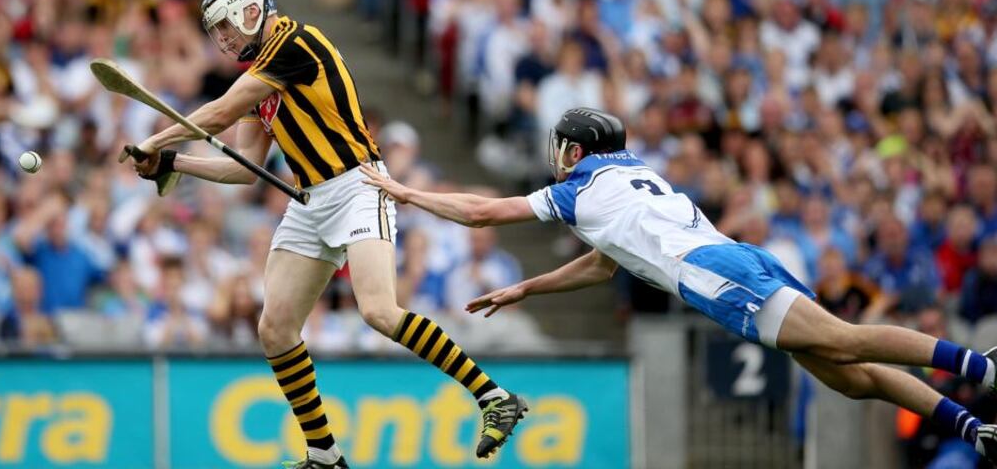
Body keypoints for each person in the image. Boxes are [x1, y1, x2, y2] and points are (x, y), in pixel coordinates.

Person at [362, 107, 997, 463]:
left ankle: (981, 368)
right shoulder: (628, 176)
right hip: (738, 262)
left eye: (562, 147)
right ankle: (975, 428)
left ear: (576, 151)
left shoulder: (579, 188)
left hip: (717, 277)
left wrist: (404, 192)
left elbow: (479, 213)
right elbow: (604, 264)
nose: (557, 156)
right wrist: (526, 289)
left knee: (848, 342)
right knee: (847, 375)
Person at [126, 0, 525, 469]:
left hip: (359, 187)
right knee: (274, 328)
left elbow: (220, 113)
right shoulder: (260, 75)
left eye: (226, 25)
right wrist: (173, 165)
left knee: (379, 311)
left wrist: (154, 142)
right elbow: (244, 166)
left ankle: (493, 397)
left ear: (252, 11)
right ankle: (324, 454)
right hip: (310, 200)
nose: (223, 39)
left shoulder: (296, 43)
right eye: (216, 32)